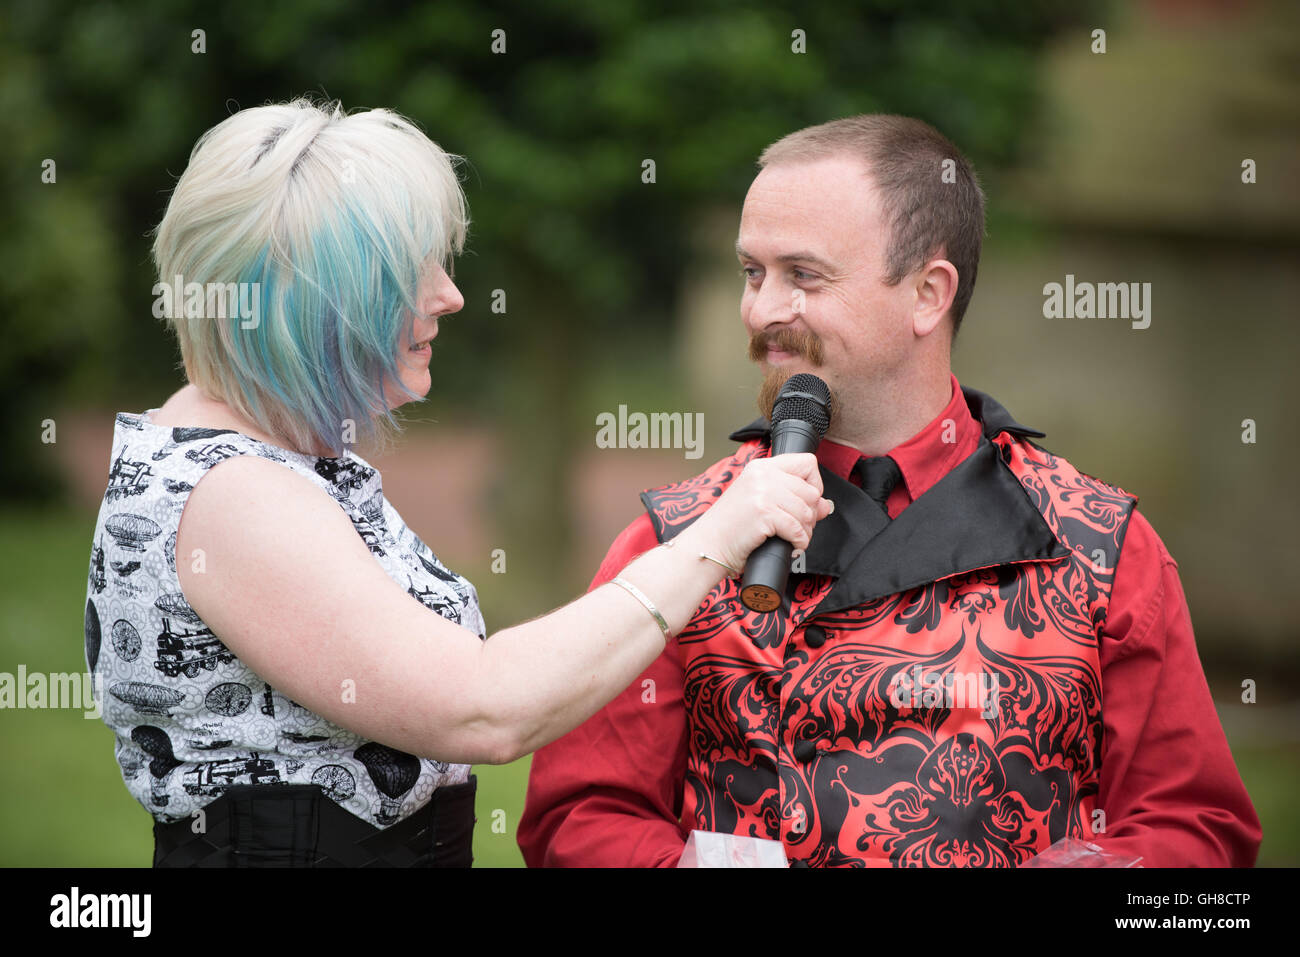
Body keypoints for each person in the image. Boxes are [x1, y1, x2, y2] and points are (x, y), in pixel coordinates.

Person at [84, 97, 832, 867]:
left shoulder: (256, 456)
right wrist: (711, 538)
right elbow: (483, 709)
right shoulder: (232, 495)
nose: (450, 294)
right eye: (413, 270)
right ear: (309, 301)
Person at [517, 114, 1263, 867]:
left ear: (927, 294)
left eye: (803, 275)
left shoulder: (1104, 545)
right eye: (752, 272)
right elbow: (578, 818)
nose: (762, 310)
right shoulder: (672, 540)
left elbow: (1198, 827)